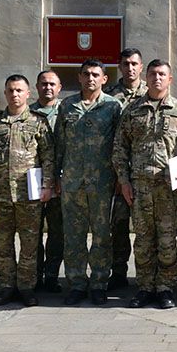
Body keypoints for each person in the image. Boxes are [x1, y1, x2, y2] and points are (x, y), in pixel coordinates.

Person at [112, 59, 177, 310]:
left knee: (166, 239)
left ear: (170, 79)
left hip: (168, 187)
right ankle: (144, 287)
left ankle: (165, 288)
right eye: (153, 74)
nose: (157, 78)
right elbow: (120, 148)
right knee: (142, 239)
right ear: (147, 77)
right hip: (140, 186)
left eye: (162, 74)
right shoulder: (132, 110)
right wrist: (124, 181)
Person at [0, 75, 55, 308]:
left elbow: (48, 156)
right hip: (0, 196)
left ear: (28, 93)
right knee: (3, 244)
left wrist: (47, 185)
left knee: (29, 244)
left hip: (28, 195)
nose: (15, 94)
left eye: (19, 90)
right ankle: (7, 286)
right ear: (5, 93)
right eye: (10, 90)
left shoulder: (38, 122)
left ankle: (27, 287)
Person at [55, 59, 122, 306]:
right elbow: (58, 145)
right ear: (79, 77)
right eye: (86, 74)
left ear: (105, 79)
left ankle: (99, 283)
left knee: (102, 236)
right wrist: (54, 177)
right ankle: (76, 284)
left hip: (102, 183)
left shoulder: (114, 107)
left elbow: (119, 146)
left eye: (96, 74)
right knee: (73, 236)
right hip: (72, 182)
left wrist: (118, 177)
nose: (90, 78)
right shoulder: (67, 106)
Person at [105, 47, 146, 288]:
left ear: (141, 67)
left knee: (145, 228)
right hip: (117, 176)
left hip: (145, 174)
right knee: (118, 226)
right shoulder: (110, 97)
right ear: (119, 67)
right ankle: (118, 272)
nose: (130, 68)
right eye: (125, 64)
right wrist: (120, 177)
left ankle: (146, 275)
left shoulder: (151, 94)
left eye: (134, 64)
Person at [31, 69, 63, 293]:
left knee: (56, 231)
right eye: (43, 84)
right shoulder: (27, 111)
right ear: (36, 87)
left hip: (60, 180)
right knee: (32, 231)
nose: (48, 88)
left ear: (59, 88)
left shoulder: (67, 111)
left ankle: (51, 275)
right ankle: (33, 275)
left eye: (52, 84)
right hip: (32, 179)